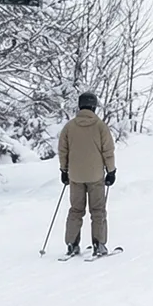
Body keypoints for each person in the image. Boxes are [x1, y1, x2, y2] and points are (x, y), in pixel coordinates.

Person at [58, 92, 116, 257]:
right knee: (98, 210)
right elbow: (108, 151)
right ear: (94, 106)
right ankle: (99, 244)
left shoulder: (69, 127)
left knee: (76, 210)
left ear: (79, 105)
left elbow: (63, 150)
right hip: (96, 175)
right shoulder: (100, 126)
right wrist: (111, 171)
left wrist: (64, 170)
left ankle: (72, 243)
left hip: (75, 175)